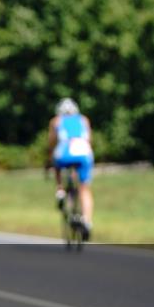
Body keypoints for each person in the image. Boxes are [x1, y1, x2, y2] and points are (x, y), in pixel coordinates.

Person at [48, 97, 95, 241]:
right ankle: (87, 220)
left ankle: (60, 190)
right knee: (84, 189)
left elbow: (51, 143)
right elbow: (89, 140)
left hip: (64, 152)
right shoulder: (84, 120)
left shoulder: (56, 121)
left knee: (55, 162)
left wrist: (49, 159)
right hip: (83, 152)